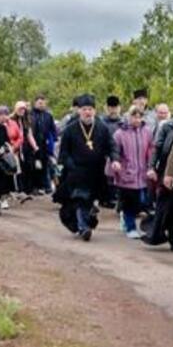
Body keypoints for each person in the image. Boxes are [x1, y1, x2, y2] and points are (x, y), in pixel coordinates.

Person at [54, 94, 119, 240]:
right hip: (77, 172)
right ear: (79, 111)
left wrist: (114, 159)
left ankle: (85, 222)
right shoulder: (70, 129)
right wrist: (72, 166)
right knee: (80, 199)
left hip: (96, 172)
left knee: (90, 201)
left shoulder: (102, 128)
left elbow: (112, 146)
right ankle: (84, 228)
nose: (88, 112)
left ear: (94, 111)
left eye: (90, 109)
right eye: (84, 109)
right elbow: (63, 153)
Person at [142, 100, 173, 251]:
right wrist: (151, 167)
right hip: (168, 171)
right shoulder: (167, 126)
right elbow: (157, 148)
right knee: (170, 208)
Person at [111, 106, 155, 238]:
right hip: (126, 174)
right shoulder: (119, 134)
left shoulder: (147, 132)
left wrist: (151, 167)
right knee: (129, 202)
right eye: (134, 116)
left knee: (141, 202)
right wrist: (116, 164)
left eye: (139, 117)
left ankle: (125, 218)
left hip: (142, 174)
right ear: (128, 117)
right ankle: (131, 227)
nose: (137, 119)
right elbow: (114, 152)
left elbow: (151, 150)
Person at [28, 96, 58, 195]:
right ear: (35, 103)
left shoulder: (48, 115)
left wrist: (54, 140)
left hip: (45, 144)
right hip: (32, 144)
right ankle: (34, 187)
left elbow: (53, 129)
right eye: (40, 103)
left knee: (45, 165)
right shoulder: (30, 114)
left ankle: (45, 186)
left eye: (43, 103)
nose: (41, 105)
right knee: (34, 166)